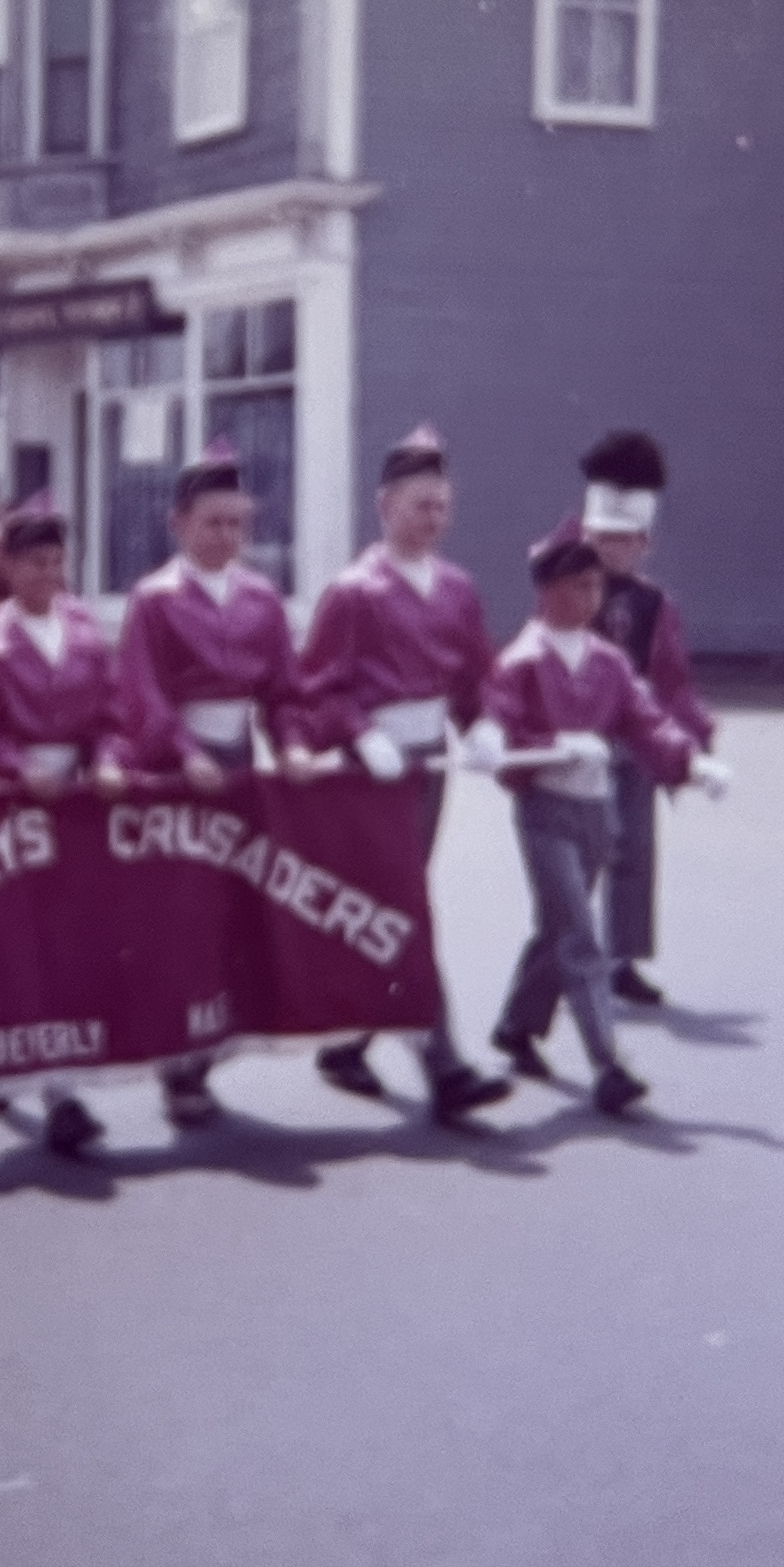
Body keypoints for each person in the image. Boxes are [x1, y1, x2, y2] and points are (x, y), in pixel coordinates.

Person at [286, 426, 514, 1121]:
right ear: (385, 506)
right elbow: (316, 688)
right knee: (408, 905)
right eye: (420, 505)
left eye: (442, 506)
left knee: (390, 903)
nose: (433, 519)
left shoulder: (458, 589)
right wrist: (361, 734)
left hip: (431, 765)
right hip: (373, 772)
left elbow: (477, 676)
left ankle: (345, 1043)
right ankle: (446, 1067)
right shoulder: (354, 592)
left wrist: (484, 726)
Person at [481, 522, 730, 1116]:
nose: (591, 598)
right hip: (545, 809)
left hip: (597, 810)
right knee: (581, 934)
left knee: (558, 927)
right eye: (578, 586)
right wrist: (540, 744)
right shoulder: (521, 661)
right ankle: (609, 1065)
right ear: (547, 591)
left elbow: (646, 721)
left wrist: (690, 762)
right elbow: (499, 727)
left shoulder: (609, 662)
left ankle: (517, 1026)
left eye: (595, 586)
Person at [111, 441, 303, 1128]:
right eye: (211, 522)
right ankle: (178, 1064)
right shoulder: (154, 599)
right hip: (178, 769)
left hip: (240, 764)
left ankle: (211, 1043)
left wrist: (291, 745)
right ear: (179, 524)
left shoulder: (262, 597)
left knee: (233, 911)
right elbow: (142, 693)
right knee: (182, 917)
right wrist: (185, 751)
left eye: (236, 523)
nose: (225, 535)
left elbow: (283, 690)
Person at [0, 495, 131, 1157]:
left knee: (64, 943)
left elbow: (112, 719)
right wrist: (16, 766)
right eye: (33, 562)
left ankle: (55, 1087)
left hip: (75, 805)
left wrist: (107, 761)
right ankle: (26, 1073)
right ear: (7, 566)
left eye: (56, 561)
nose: (48, 574)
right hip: (13, 808)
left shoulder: (86, 635)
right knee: (16, 941)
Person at [576, 430, 716, 1007]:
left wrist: (691, 741)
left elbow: (673, 679)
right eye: (602, 537)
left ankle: (623, 958)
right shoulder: (569, 593)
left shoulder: (656, 605)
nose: (612, 548)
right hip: (580, 739)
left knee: (634, 849)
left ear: (644, 544)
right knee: (580, 852)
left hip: (634, 739)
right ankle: (567, 953)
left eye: (624, 539)